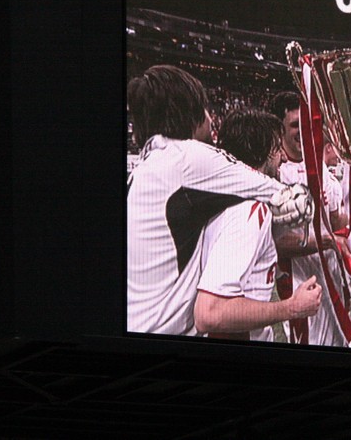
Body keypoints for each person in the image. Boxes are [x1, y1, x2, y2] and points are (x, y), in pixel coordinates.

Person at [126, 65, 312, 335]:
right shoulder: (187, 158)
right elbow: (288, 198)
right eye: (205, 109)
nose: (211, 119)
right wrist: (292, 307)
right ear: (189, 114)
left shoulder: (146, 168)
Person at [193, 109, 322, 341]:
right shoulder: (250, 210)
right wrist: (291, 307)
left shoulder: (223, 197)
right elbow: (210, 313)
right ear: (262, 150)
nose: (283, 158)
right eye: (277, 148)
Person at [270, 91, 351, 347]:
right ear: (280, 129)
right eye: (294, 125)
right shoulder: (274, 175)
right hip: (299, 283)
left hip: (332, 278)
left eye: (304, 123)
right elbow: (276, 243)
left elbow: (336, 221)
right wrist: (327, 242)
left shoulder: (318, 166)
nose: (301, 130)